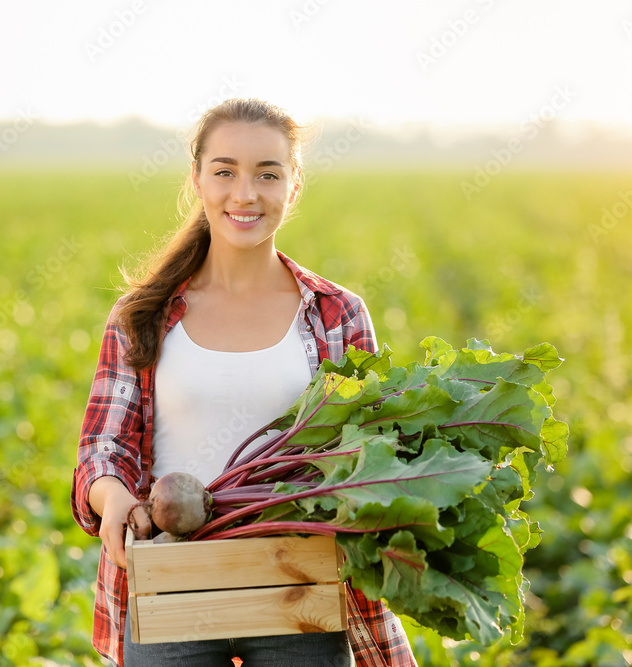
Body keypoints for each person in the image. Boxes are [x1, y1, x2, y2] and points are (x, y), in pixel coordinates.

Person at [71, 98, 417, 667]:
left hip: (298, 592)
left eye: (267, 174)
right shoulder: (144, 315)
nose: (245, 194)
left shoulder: (338, 314)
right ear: (198, 179)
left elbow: (374, 454)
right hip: (172, 589)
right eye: (225, 171)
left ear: (294, 185)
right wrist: (113, 498)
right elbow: (103, 447)